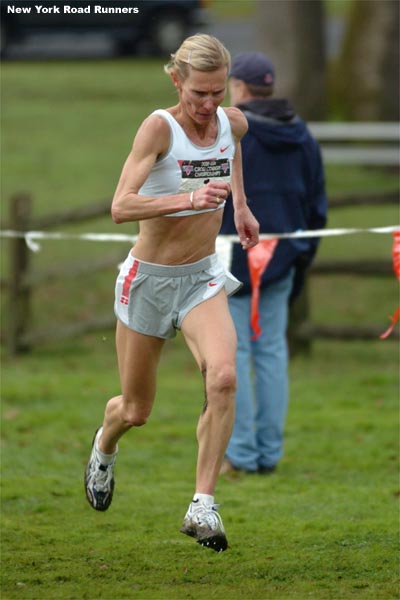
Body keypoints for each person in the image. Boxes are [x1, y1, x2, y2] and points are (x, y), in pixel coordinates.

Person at [84, 35, 259, 553]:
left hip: (202, 276)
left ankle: (202, 505)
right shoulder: (159, 128)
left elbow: (234, 148)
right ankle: (103, 445)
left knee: (223, 378)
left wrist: (241, 205)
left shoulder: (232, 121)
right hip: (149, 281)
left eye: (217, 93)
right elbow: (121, 205)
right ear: (176, 80)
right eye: (198, 93)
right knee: (136, 410)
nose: (208, 106)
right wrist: (186, 199)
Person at [219, 52, 327, 475]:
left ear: (240, 89)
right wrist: (301, 259)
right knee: (271, 353)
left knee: (236, 354)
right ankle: (267, 453)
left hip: (231, 260)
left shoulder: (231, 133)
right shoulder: (303, 135)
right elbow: (317, 206)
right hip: (284, 260)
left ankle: (243, 454)